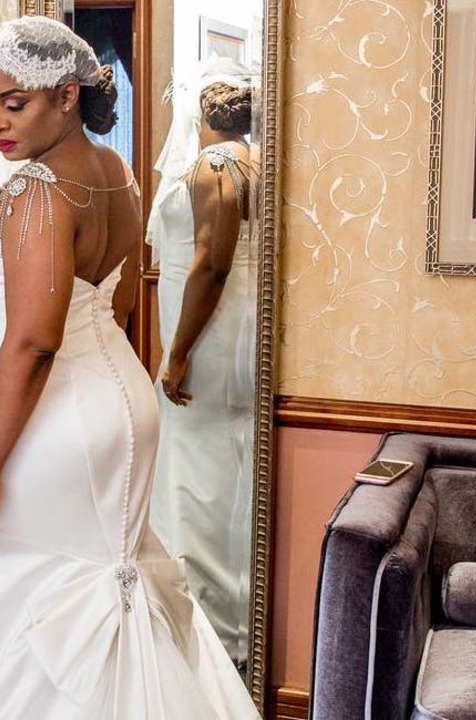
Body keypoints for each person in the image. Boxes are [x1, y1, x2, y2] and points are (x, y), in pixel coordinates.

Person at [0, 17, 260, 719]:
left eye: (16, 103)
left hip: (49, 417)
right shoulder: (113, 171)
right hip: (118, 394)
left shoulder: (36, 187)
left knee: (3, 584)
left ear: (66, 96)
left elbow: (33, 343)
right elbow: (117, 298)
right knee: (87, 581)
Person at [146, 62, 259, 665]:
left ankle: (206, 617)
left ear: (200, 114)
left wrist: (178, 352)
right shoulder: (256, 162)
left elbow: (211, 265)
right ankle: (233, 607)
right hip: (235, 325)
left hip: (209, 334)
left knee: (195, 458)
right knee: (223, 459)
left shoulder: (216, 166)